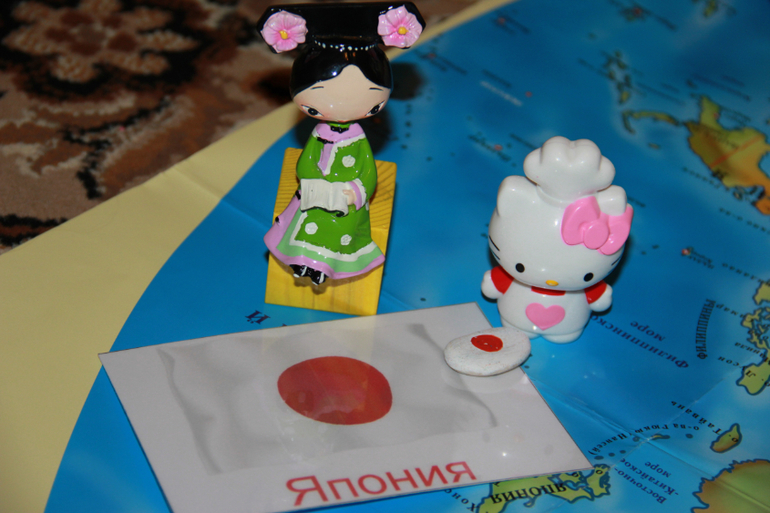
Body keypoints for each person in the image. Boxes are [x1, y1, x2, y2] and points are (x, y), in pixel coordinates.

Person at [258, 3, 424, 285]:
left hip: (344, 198)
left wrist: (354, 192)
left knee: (340, 227)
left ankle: (324, 266)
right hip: (317, 191)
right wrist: (312, 181)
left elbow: (368, 172)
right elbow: (307, 162)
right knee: (301, 220)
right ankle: (302, 262)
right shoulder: (319, 133)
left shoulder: (357, 139)